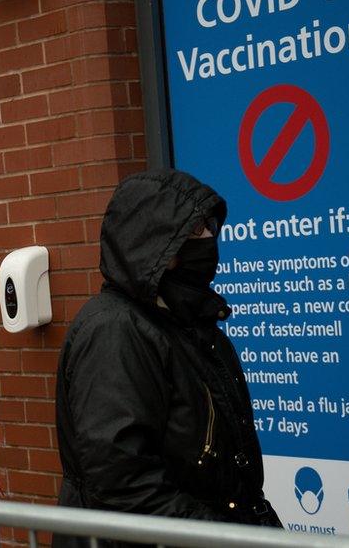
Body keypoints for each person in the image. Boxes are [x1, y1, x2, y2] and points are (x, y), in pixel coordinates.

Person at [54, 169, 281, 547]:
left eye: (209, 228)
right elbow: (120, 481)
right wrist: (218, 535)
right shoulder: (115, 330)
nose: (210, 240)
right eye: (195, 232)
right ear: (156, 245)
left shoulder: (189, 320)